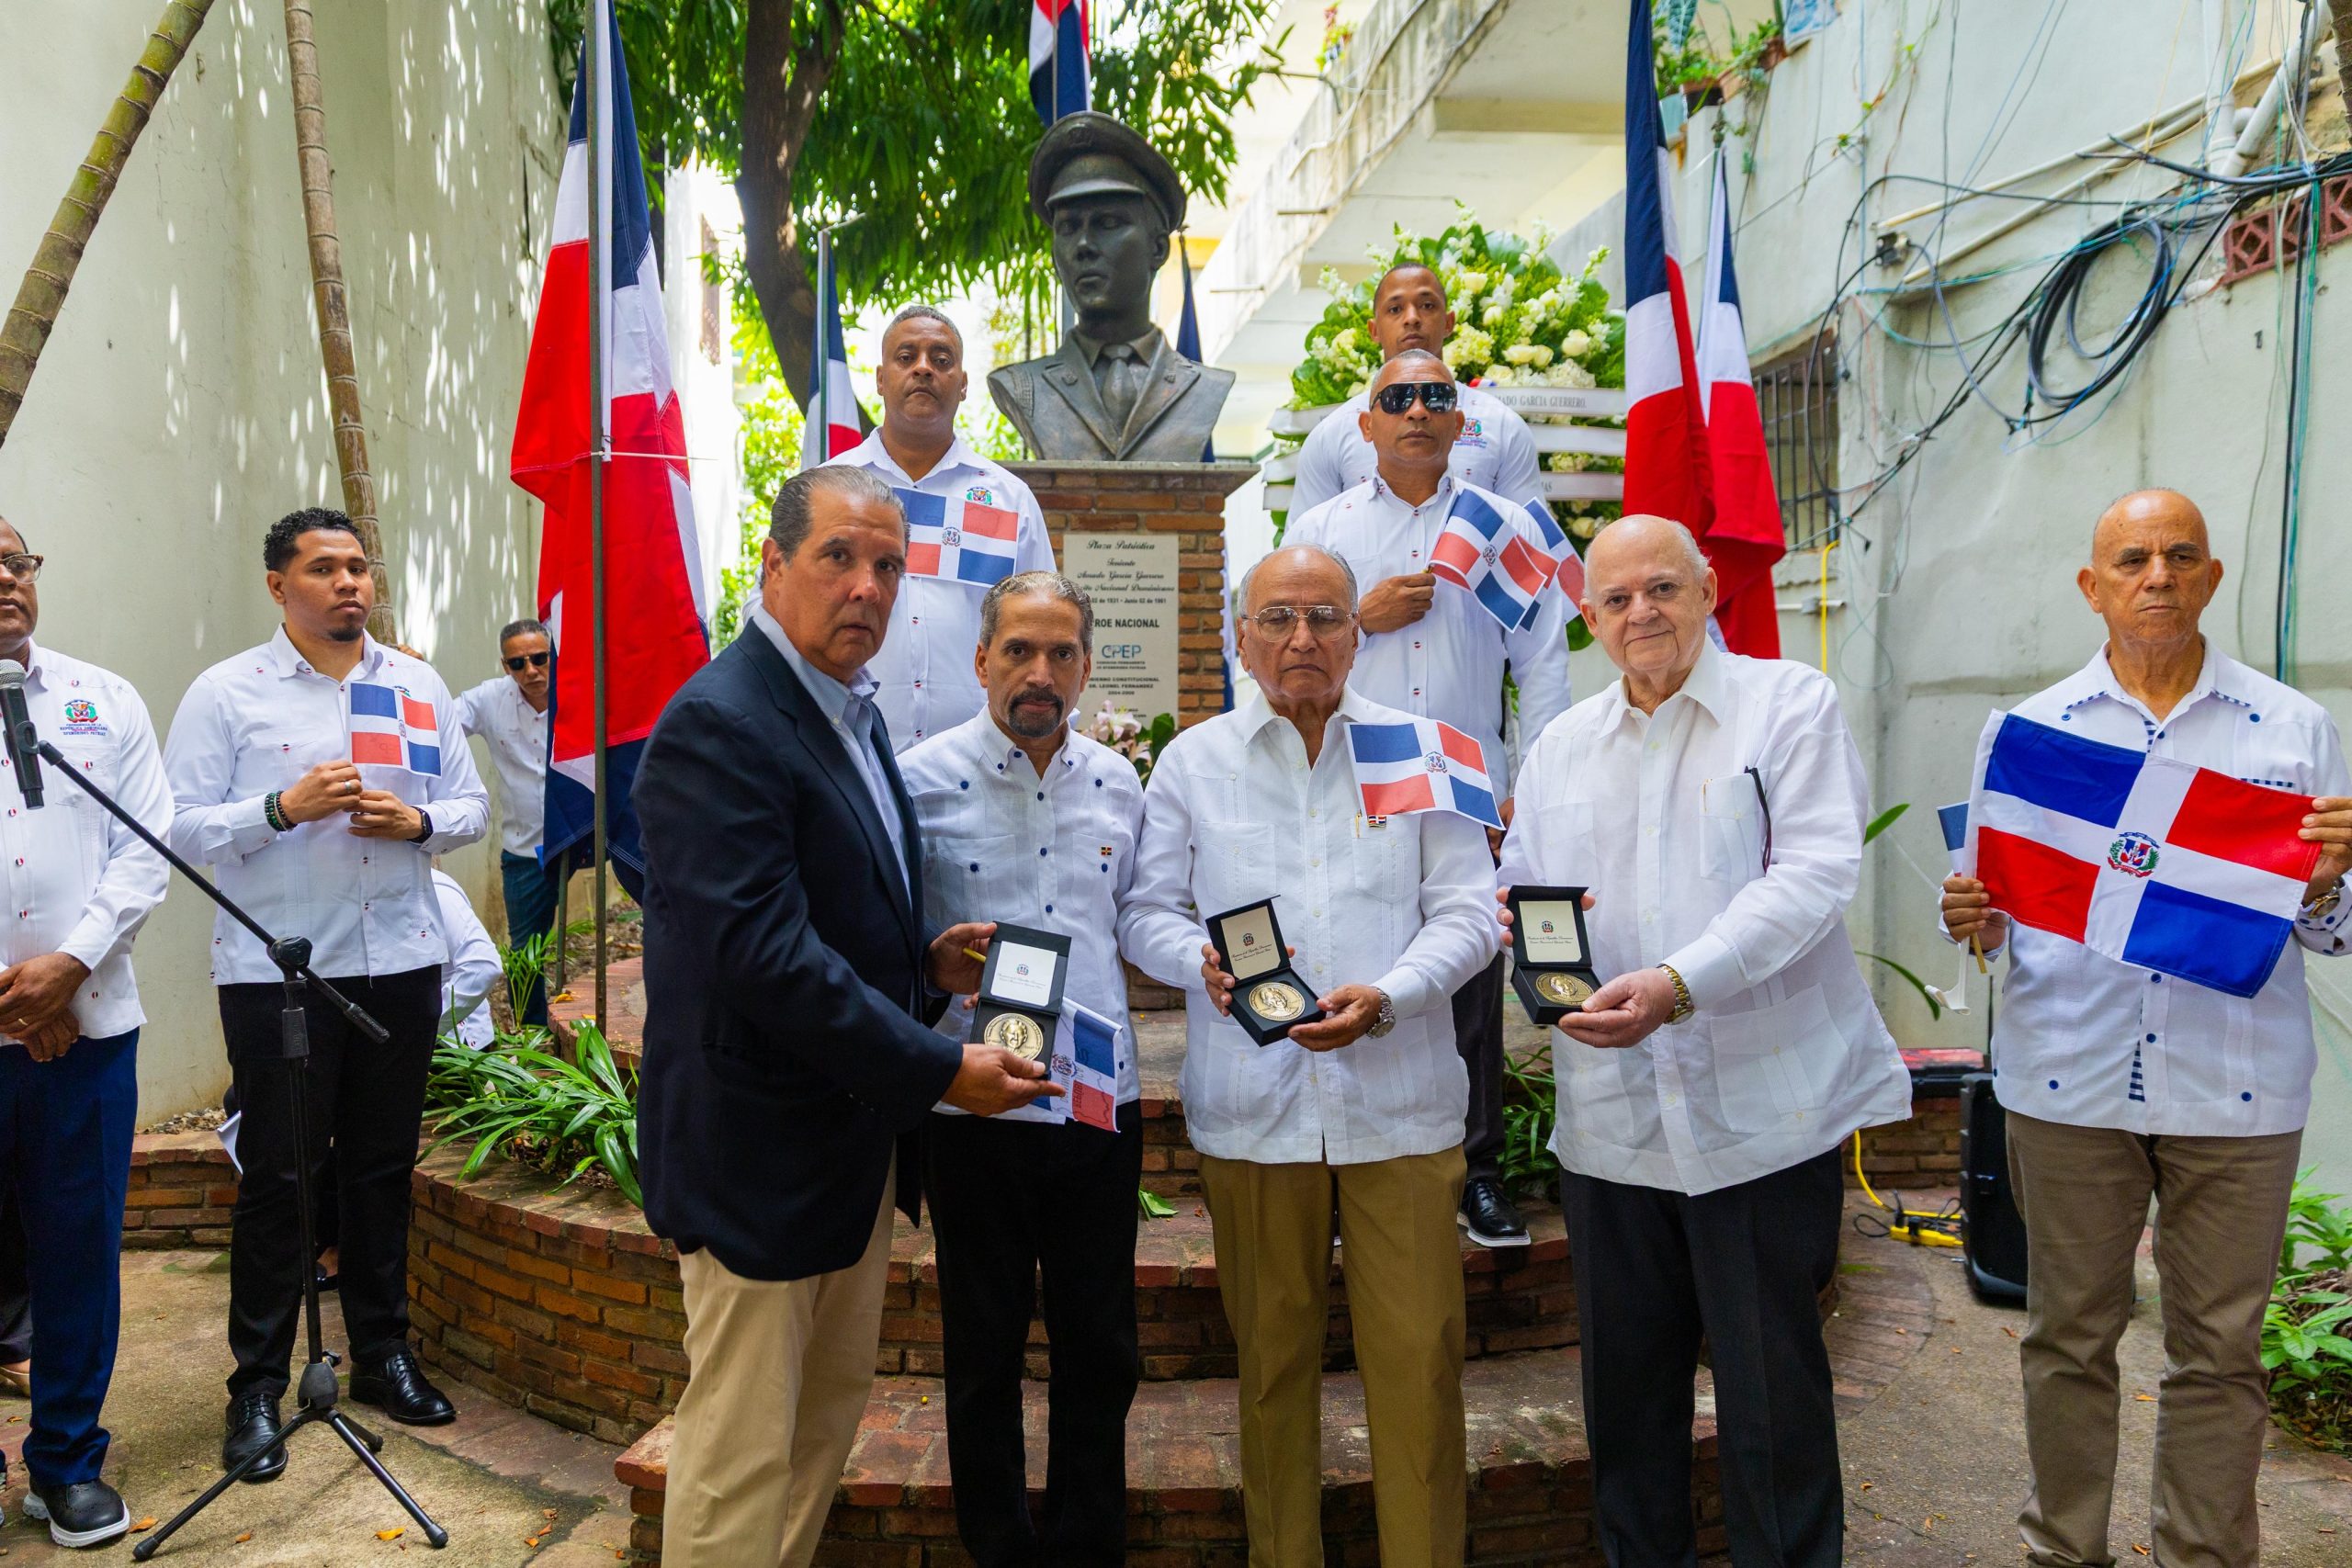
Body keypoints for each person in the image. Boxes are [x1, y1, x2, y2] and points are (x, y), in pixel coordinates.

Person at [634, 464, 1062, 1567]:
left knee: (819, 1431)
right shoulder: (720, 722)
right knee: (737, 1458)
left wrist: (924, 966)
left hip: (844, 1152)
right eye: (838, 557)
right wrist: (936, 1068)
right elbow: (762, 956)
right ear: (774, 565)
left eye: (887, 564)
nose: (866, 586)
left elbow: (830, 914)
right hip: (755, 1157)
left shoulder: (852, 713)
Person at [1939, 490, 2352, 1568]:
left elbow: (2336, 936)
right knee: (2065, 1339)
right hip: (2066, 1079)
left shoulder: (2293, 732)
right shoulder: (2027, 737)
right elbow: (1997, 922)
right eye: (2130, 559)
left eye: (2179, 556)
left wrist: (2325, 885)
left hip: (2238, 1085)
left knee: (2218, 1353)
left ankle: (2202, 1558)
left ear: (2212, 576)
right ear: (2093, 586)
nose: (2155, 575)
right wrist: (1974, 922)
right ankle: (2061, 1553)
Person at [1498, 515, 1910, 1568]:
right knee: (1628, 1410)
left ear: (1709, 589)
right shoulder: (1558, 747)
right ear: (1589, 620)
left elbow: (1814, 876)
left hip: (1761, 1120)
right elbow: (1531, 899)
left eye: (1663, 589)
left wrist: (1679, 984)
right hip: (1616, 1130)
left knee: (1772, 1407)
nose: (1642, 614)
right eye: (1618, 599)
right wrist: (1547, 969)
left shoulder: (1787, 708)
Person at [1123, 543, 1496, 1566]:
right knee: (1273, 1371)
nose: (1302, 639)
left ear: (1357, 631)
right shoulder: (1194, 761)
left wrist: (1392, 996)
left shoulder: (1428, 747)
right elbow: (1145, 910)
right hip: (1255, 1107)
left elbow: (1469, 916)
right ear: (1240, 637)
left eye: (1326, 616)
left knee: (1419, 1368)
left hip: (1400, 1103)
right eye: (1278, 618)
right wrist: (1191, 958)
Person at [164, 507, 488, 1481]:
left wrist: (419, 820)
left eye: (358, 567)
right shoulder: (230, 693)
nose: (350, 583)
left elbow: (469, 806)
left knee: (384, 1167)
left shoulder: (417, 683)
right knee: (280, 1180)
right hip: (280, 973)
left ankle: (384, 1352)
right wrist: (280, 808)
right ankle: (257, 1387)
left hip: (400, 961)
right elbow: (177, 829)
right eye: (324, 569)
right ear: (279, 587)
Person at [1287, 349, 1571, 1249]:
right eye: (1395, 398)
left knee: (1469, 982)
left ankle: (1476, 1173)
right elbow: (1268, 646)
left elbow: (1543, 660)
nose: (1416, 410)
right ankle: (1338, 1173)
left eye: (1435, 397)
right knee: (1343, 961)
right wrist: (1351, 619)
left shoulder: (1498, 527)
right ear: (1364, 425)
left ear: (1461, 422)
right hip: (1351, 781)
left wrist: (1534, 783)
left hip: (1466, 789)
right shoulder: (1325, 531)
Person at [899, 570, 1147, 1567]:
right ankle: (996, 1547)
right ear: (980, 660)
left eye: (1060, 654)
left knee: (1102, 1346)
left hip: (1097, 1107)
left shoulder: (1120, 781)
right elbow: (888, 943)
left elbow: (1133, 917)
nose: (1038, 673)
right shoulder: (916, 779)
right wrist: (927, 967)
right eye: (1018, 651)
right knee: (983, 1352)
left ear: (1086, 666)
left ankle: (1088, 1544)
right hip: (972, 1106)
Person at [0, 517, 171, 1548]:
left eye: (16, 561)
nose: (5, 580)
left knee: (76, 1256)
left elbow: (142, 853)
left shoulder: (102, 698)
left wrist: (66, 974)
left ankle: (64, 1463)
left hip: (90, 1030)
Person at [827, 305, 1055, 750]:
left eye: (942, 359)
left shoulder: (1011, 501)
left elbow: (1046, 626)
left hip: (981, 764)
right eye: (906, 356)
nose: (924, 369)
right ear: (879, 379)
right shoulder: (830, 490)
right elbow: (774, 612)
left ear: (964, 384)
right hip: (846, 754)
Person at [988, 112, 1237, 462]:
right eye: (1069, 228)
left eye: (1108, 223)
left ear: (1158, 248)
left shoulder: (1204, 387)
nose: (1083, 245)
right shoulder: (1024, 388)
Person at [1286, 263, 1546, 517]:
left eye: (1427, 305)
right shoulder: (1332, 434)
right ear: (1374, 330)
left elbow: (1533, 545)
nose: (1412, 318)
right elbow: (1304, 549)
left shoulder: (1502, 426)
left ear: (1448, 322)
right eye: (1395, 309)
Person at [455, 618, 555, 1024]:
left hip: (591, 833)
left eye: (540, 659)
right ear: (504, 666)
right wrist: (411, 670)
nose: (530, 671)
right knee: (524, 951)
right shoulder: (489, 699)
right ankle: (533, 1038)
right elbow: (436, 722)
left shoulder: (584, 691)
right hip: (526, 844)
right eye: (518, 663)